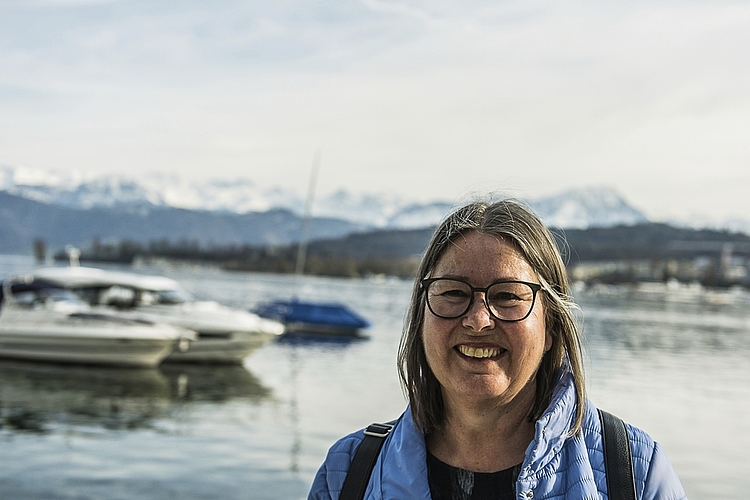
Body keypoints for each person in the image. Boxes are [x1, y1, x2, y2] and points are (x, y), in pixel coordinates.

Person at [308, 199, 686, 499]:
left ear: (551, 325)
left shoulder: (633, 473)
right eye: (453, 292)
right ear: (421, 316)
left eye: (507, 297)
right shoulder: (349, 472)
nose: (478, 320)